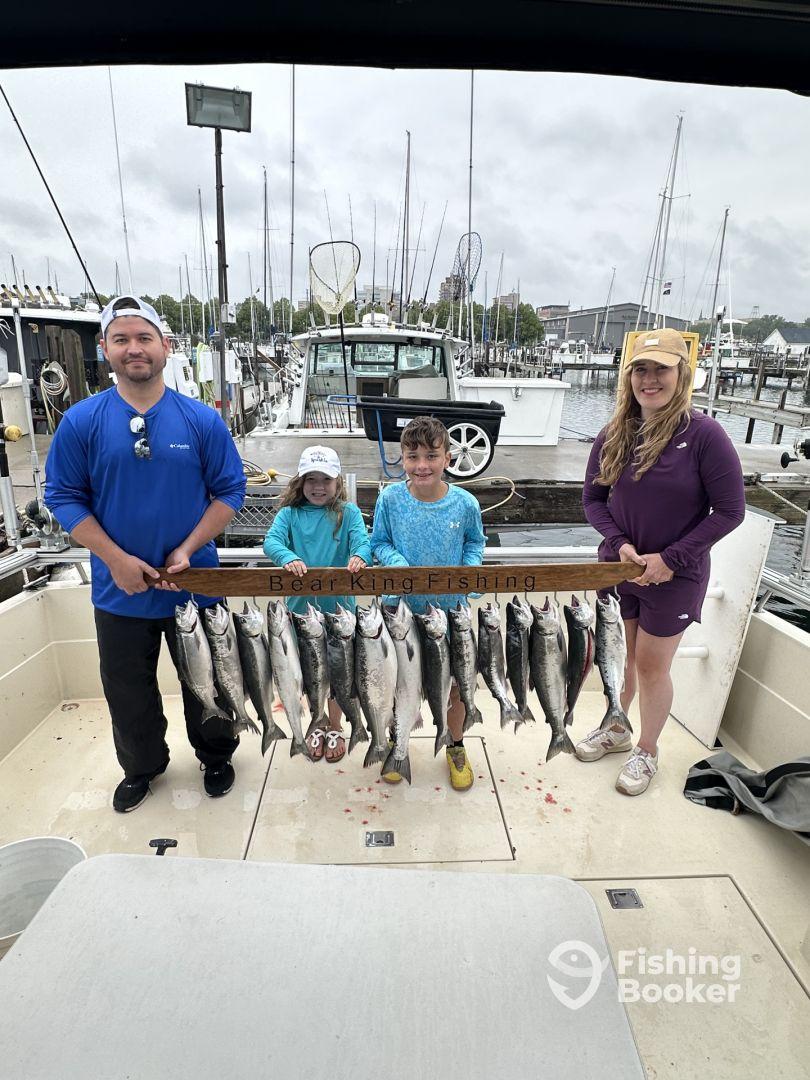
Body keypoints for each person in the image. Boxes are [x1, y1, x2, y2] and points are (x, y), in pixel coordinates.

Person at [44, 296, 246, 812]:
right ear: (105, 349)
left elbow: (229, 493)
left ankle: (217, 755)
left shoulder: (200, 419)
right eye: (122, 339)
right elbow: (63, 497)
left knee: (213, 682)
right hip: (120, 589)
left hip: (196, 586)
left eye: (144, 338)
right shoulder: (80, 422)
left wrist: (187, 548)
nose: (134, 349)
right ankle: (142, 766)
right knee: (128, 691)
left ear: (166, 347)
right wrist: (114, 558)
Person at [579, 327, 745, 795]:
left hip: (676, 574)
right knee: (621, 659)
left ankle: (647, 749)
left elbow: (731, 510)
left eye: (661, 370)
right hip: (619, 567)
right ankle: (616, 726)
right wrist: (619, 543)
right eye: (641, 370)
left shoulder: (705, 434)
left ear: (682, 374)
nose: (650, 380)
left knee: (651, 664)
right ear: (629, 376)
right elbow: (593, 499)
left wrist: (672, 558)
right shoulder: (614, 433)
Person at [370, 415, 486, 791]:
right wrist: (397, 564)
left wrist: (470, 572)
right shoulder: (389, 498)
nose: (422, 465)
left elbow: (475, 544)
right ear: (402, 458)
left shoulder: (465, 503)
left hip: (451, 612)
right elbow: (378, 544)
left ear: (448, 459)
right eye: (413, 456)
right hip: (399, 611)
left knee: (454, 685)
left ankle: (454, 744)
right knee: (398, 684)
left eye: (432, 456)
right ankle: (395, 742)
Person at [263, 445, 372, 763]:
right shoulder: (289, 514)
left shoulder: (348, 513)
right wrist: (287, 557)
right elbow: (271, 541)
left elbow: (363, 540)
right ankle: (317, 721)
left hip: (341, 615)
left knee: (340, 674)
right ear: (299, 481)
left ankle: (336, 724)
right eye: (311, 478)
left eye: (326, 478)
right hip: (299, 613)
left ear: (338, 483)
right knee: (312, 674)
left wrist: (359, 556)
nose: (318, 486)